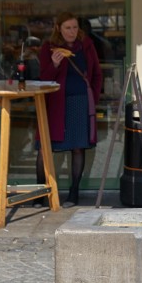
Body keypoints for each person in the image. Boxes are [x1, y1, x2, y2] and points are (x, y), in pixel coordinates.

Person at [36, 11, 102, 206]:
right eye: (68, 28)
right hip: (55, 104)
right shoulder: (49, 47)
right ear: (59, 28)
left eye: (74, 27)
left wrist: (93, 99)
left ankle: (74, 193)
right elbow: (43, 78)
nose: (72, 32)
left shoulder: (87, 45)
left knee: (78, 148)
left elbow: (97, 74)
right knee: (44, 149)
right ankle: (40, 194)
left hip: (80, 103)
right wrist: (55, 63)